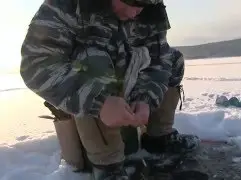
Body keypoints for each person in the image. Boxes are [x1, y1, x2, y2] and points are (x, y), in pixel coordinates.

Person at [20, 0, 200, 179]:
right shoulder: (67, 5)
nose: (134, 13)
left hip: (127, 85)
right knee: (93, 60)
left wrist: (146, 98)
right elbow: (36, 64)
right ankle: (108, 166)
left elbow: (159, 58)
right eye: (130, 2)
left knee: (173, 59)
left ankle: (158, 139)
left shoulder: (151, 6)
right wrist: (98, 101)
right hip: (83, 104)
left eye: (143, 5)